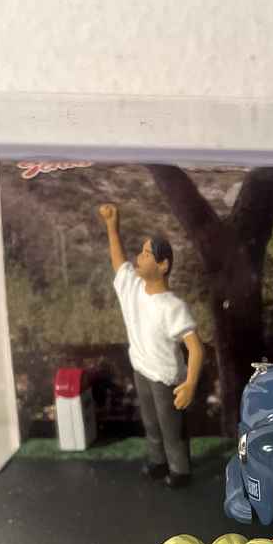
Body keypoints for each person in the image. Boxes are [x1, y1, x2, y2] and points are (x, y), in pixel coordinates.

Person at [97, 203, 204, 488]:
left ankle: (180, 470)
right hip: (141, 369)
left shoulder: (173, 306)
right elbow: (118, 262)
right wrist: (112, 225)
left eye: (147, 254)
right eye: (142, 251)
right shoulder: (132, 288)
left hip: (166, 378)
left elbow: (196, 347)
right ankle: (158, 462)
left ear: (163, 265)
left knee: (171, 427)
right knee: (151, 422)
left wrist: (190, 384)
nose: (139, 257)